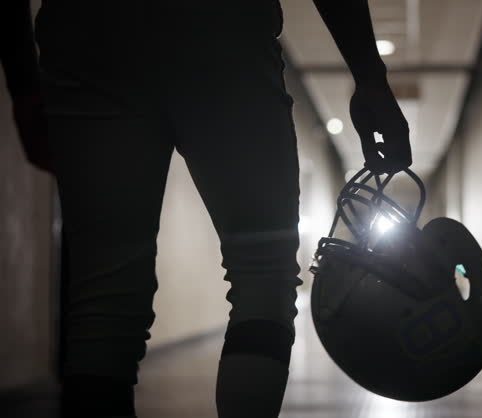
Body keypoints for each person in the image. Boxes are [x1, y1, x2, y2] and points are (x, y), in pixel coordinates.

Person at [1, 0, 411, 417]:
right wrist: (369, 75)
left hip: (84, 32)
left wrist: (22, 85)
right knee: (262, 273)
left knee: (103, 297)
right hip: (223, 23)